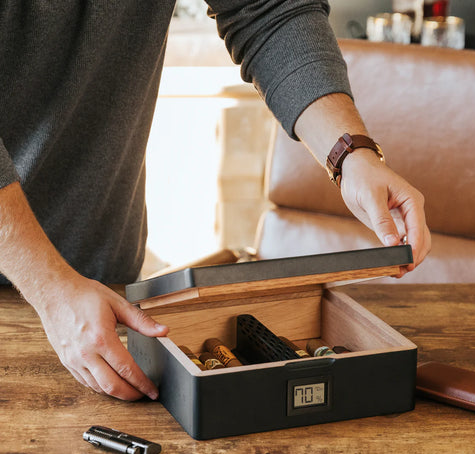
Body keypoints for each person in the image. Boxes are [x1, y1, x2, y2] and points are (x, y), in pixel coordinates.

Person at [0, 1, 431, 401]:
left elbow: (267, 10)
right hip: (36, 285)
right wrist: (51, 288)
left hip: (104, 295)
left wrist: (350, 154)